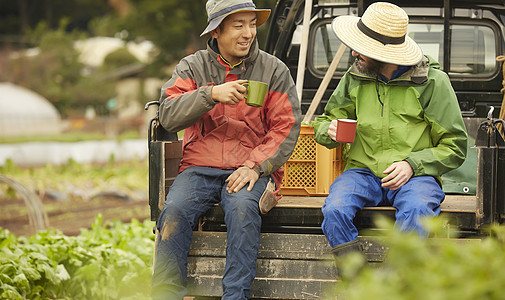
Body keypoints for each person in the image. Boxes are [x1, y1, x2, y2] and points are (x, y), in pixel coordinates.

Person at [151, 0, 301, 298]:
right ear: (216, 31)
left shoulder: (274, 70)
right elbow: (167, 115)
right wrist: (209, 94)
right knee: (174, 211)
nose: (248, 33)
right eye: (238, 25)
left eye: (252, 25)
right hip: (199, 167)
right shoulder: (192, 66)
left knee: (243, 211)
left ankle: (235, 296)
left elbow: (286, 126)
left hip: (249, 168)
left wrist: (255, 166)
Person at [313, 2, 468, 254]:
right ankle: (357, 279)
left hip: (416, 177)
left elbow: (456, 146)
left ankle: (394, 282)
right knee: (334, 210)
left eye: (362, 49)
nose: (354, 54)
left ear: (386, 53)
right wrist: (328, 131)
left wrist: (412, 164)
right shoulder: (354, 77)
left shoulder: (432, 83)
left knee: (418, 210)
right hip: (362, 173)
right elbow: (324, 122)